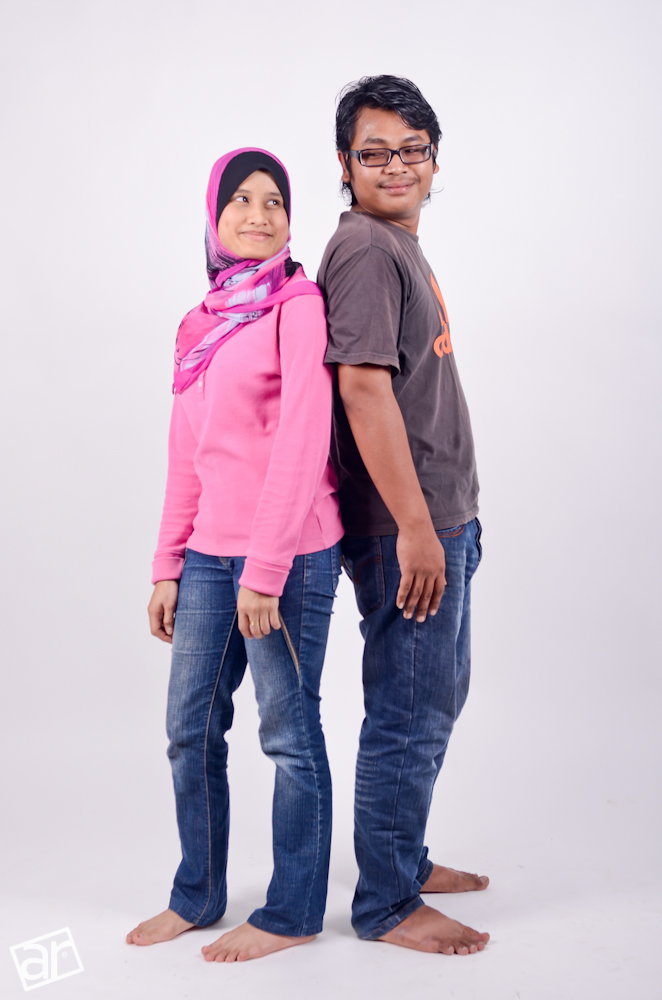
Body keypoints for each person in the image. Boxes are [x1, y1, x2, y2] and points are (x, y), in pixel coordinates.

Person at [126, 148, 344, 962]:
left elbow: (303, 440)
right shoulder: (201, 324)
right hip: (208, 558)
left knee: (288, 734)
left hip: (289, 556)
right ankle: (198, 894)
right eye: (241, 200)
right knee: (189, 729)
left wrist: (265, 571)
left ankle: (293, 912)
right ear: (214, 217)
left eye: (274, 201)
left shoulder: (298, 306)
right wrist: (167, 564)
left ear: (290, 219)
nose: (259, 215)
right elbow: (187, 453)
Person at [317, 76, 491, 955]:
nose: (396, 166)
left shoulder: (394, 244)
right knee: (408, 713)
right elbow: (360, 387)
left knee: (435, 697)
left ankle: (403, 856)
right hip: (405, 531)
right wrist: (416, 527)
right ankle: (387, 902)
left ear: (434, 159)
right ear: (345, 164)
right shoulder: (364, 250)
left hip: (438, 522)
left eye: (411, 149)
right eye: (374, 151)